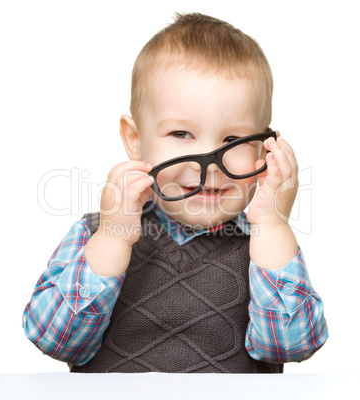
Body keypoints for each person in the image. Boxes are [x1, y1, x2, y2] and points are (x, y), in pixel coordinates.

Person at [23, 12, 328, 373]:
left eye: (233, 140)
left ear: (264, 152)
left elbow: (291, 346)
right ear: (136, 141)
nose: (210, 165)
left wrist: (273, 225)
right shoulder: (95, 232)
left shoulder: (268, 245)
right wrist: (111, 239)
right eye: (181, 134)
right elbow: (53, 339)